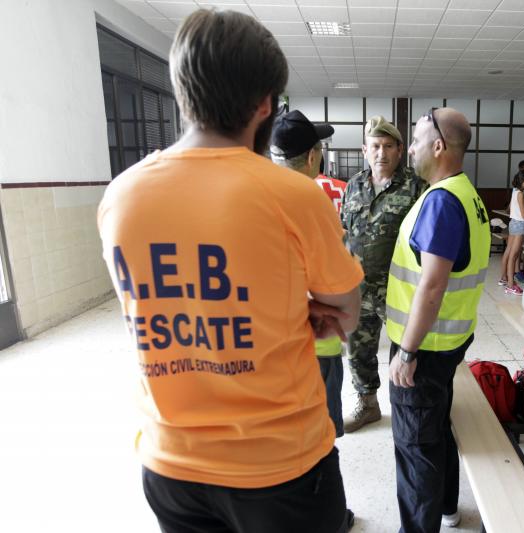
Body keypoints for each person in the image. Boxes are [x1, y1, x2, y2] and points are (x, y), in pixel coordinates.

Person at [97, 10, 363, 533]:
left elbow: (166, 302)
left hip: (170, 462)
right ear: (264, 103)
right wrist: (299, 309)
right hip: (280, 464)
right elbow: (346, 313)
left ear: (180, 89)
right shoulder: (293, 194)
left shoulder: (121, 197)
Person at [386, 107, 490, 532]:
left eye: (414, 139)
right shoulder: (466, 194)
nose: (408, 148)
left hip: (424, 348)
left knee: (415, 446)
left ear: (439, 146)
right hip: (447, 341)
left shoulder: (443, 202)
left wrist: (406, 351)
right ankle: (448, 508)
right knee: (436, 427)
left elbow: (431, 286)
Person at [340, 116, 426, 433]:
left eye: (388, 146)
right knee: (358, 349)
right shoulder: (354, 186)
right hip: (358, 289)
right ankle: (368, 404)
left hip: (400, 289)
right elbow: (344, 232)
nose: (381, 153)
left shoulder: (417, 188)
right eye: (375, 146)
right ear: (365, 149)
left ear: (399, 150)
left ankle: (414, 407)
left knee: (411, 350)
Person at [269, 110, 349, 439]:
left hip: (268, 345)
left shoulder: (253, 198)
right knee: (320, 430)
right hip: (316, 343)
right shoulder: (314, 204)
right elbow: (341, 290)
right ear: (314, 156)